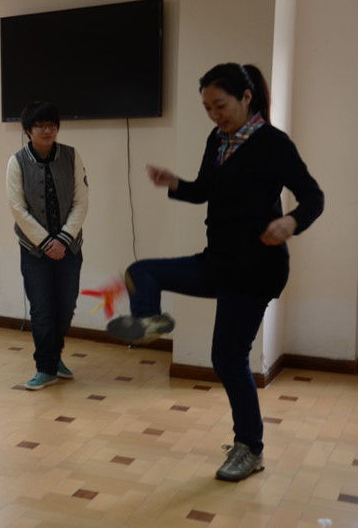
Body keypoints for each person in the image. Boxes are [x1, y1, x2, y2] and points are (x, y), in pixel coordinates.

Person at [107, 63, 324, 481]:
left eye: (220, 105)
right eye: (207, 108)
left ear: (246, 97)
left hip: (256, 268)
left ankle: (250, 449)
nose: (214, 115)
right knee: (142, 271)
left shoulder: (273, 143)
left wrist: (291, 221)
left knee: (227, 359)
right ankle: (150, 322)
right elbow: (205, 191)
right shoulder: (218, 139)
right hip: (219, 261)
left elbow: (313, 197)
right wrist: (174, 182)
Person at [6, 101, 89, 390]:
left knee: (66, 306)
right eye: (40, 126)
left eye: (51, 125)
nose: (47, 130)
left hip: (69, 247)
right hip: (34, 250)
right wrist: (45, 243)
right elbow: (18, 209)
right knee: (42, 309)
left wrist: (63, 239)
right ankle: (46, 367)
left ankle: (54, 357)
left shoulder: (71, 156)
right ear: (28, 130)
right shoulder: (17, 162)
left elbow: (81, 201)